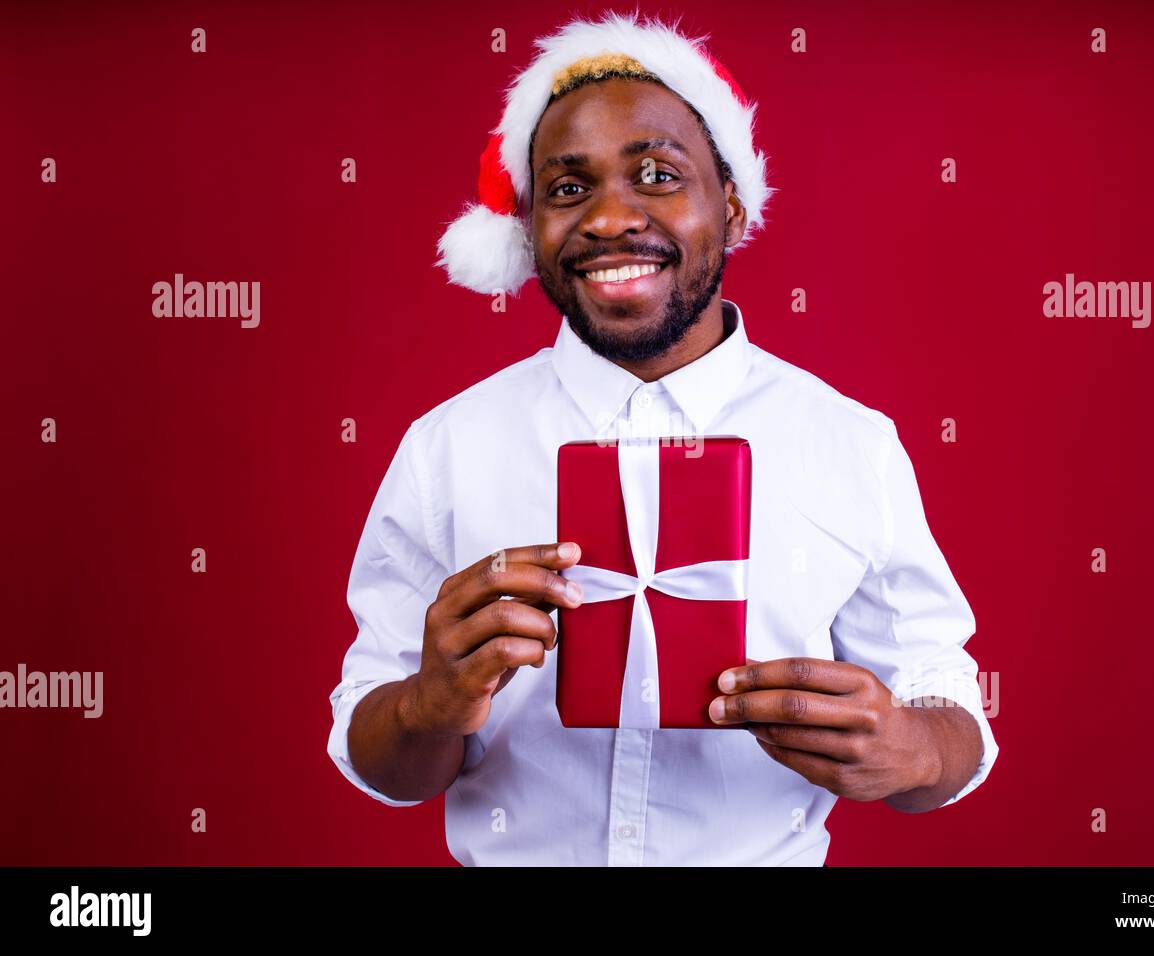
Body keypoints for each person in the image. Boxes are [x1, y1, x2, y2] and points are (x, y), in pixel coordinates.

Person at [327, 11, 998, 866]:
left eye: (656, 174)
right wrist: (427, 706)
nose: (609, 218)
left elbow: (945, 706)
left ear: (733, 201)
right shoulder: (446, 448)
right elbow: (384, 754)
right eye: (569, 189)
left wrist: (914, 747)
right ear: (529, 227)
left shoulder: (849, 443)